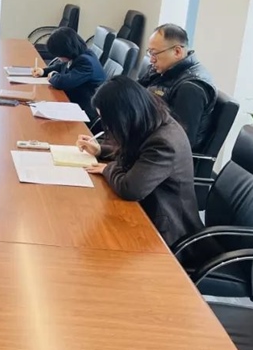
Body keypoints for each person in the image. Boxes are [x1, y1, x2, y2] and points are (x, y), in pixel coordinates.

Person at [76, 76, 203, 246]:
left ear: (124, 116)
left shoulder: (163, 143)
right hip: (145, 207)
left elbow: (130, 189)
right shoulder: (151, 120)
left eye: (109, 122)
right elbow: (136, 152)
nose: (108, 128)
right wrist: (100, 150)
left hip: (164, 229)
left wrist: (107, 169)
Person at [138, 23, 216, 150]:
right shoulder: (162, 71)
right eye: (150, 53)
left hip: (157, 154)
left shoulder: (190, 88)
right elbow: (134, 94)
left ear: (177, 51)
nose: (151, 60)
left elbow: (179, 141)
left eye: (154, 53)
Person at [31, 27, 106, 122]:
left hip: (85, 111)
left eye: (59, 55)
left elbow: (63, 82)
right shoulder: (79, 55)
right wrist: (43, 71)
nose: (58, 58)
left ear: (66, 51)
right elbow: (61, 66)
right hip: (74, 101)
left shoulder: (86, 62)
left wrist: (53, 75)